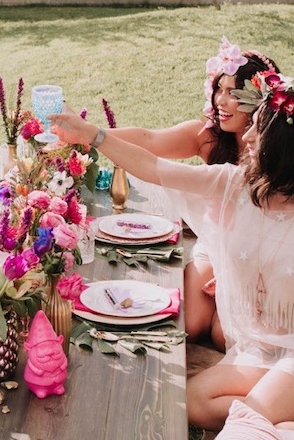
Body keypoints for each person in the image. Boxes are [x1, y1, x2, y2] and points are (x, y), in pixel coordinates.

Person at [51, 70, 294, 433]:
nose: (248, 137)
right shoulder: (232, 183)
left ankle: (291, 414)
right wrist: (91, 134)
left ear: (287, 145)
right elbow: (152, 166)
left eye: (259, 130)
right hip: (259, 349)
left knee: (244, 420)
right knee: (189, 403)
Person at [108, 37, 279, 348]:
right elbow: (148, 141)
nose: (221, 102)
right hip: (214, 245)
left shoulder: (277, 151)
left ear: (260, 101)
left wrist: (238, 275)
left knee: (223, 334)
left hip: (262, 258)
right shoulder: (207, 137)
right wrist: (89, 137)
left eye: (233, 94)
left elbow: (285, 227)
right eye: (219, 90)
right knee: (192, 322)